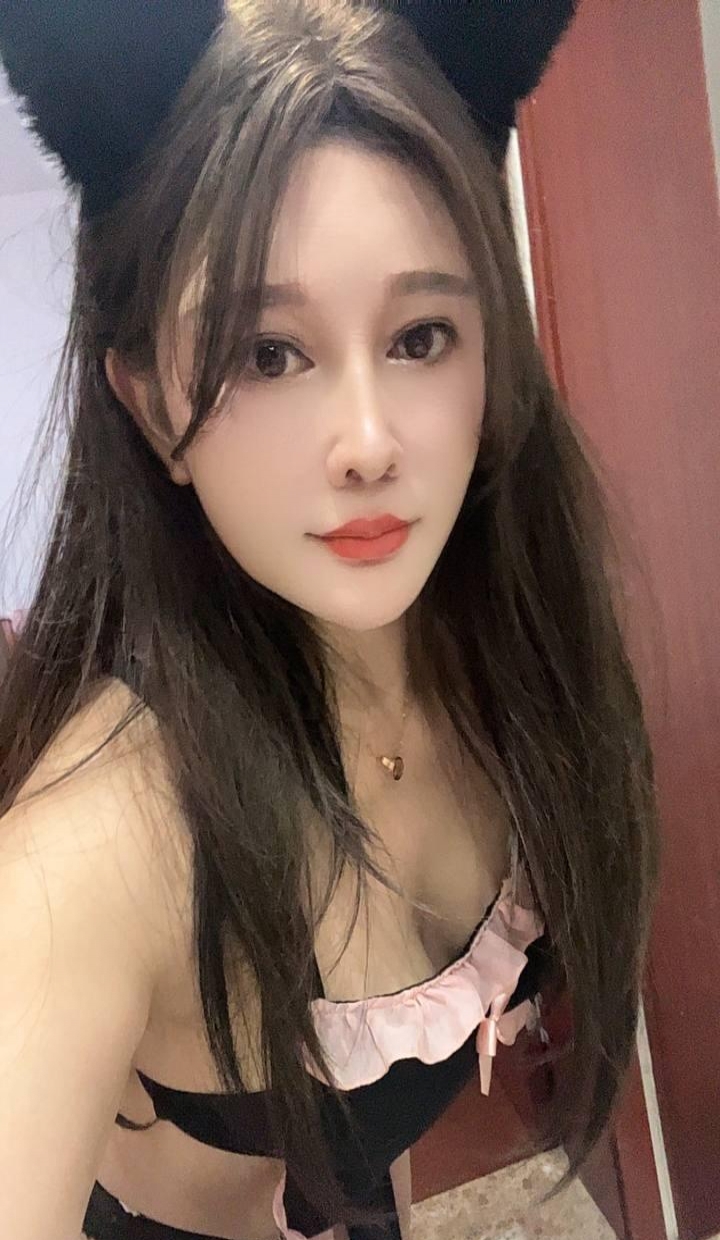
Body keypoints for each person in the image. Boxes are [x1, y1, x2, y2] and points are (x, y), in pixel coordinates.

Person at [0, 2, 660, 1238]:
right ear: (147, 406)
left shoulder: (511, 671)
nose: (367, 442)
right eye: (267, 354)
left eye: (421, 337)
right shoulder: (89, 857)